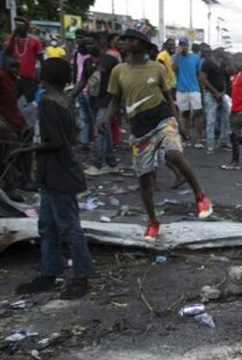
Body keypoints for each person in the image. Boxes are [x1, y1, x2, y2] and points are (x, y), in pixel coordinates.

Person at [102, 29, 213, 241]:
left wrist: (178, 123)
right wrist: (106, 120)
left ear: (143, 45)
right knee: (145, 180)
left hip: (163, 121)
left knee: (173, 155)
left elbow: (168, 97)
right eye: (124, 39)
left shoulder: (157, 68)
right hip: (139, 130)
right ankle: (153, 222)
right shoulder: (118, 71)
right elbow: (115, 101)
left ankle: (200, 195)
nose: (125, 42)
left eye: (131, 39)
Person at [14, 58, 94, 299]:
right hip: (57, 172)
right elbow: (68, 135)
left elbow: (57, 142)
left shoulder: (48, 103)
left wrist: (26, 150)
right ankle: (50, 273)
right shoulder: (65, 100)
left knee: (67, 227)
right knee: (48, 226)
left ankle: (81, 276)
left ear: (44, 77)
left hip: (57, 172)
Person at [83, 32, 122, 177]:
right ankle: (112, 163)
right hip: (94, 100)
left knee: (99, 131)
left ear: (100, 42)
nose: (87, 46)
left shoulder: (109, 58)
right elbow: (83, 80)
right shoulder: (89, 61)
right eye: (85, 44)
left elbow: (100, 73)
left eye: (90, 43)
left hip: (107, 99)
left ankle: (97, 164)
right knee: (104, 132)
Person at [0, 56, 33, 199]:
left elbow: (13, 107)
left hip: (12, 120)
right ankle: (10, 184)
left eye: (17, 68)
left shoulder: (13, 82)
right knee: (10, 145)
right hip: (4, 122)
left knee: (27, 139)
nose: (15, 71)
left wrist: (24, 125)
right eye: (12, 67)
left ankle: (25, 178)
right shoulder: (1, 78)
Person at [172, 37, 204, 149]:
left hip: (194, 89)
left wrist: (202, 88)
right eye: (181, 44)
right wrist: (177, 54)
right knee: (185, 115)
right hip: (182, 89)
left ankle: (199, 139)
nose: (183, 46)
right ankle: (186, 137)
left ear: (188, 46)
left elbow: (199, 74)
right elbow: (173, 68)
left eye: (184, 44)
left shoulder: (195, 58)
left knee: (197, 114)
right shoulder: (175, 57)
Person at [198, 44, 230, 154]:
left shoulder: (222, 63)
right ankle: (210, 145)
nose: (223, 51)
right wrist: (215, 92)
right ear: (216, 50)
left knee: (225, 118)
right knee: (211, 120)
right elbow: (203, 78)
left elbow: (224, 78)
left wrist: (224, 91)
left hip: (221, 94)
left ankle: (223, 141)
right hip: (210, 94)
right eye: (221, 49)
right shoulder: (207, 63)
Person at [70, 31, 98, 150]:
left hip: (92, 92)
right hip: (80, 89)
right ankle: (84, 142)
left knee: (95, 119)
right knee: (84, 117)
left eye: (83, 39)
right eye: (78, 39)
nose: (81, 42)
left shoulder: (97, 58)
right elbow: (78, 73)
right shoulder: (78, 54)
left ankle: (97, 145)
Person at [6, 16, 44, 102]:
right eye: (17, 25)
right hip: (14, 78)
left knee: (32, 103)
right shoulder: (12, 40)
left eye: (21, 25)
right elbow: (6, 53)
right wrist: (13, 37)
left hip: (29, 79)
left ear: (27, 27)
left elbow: (41, 60)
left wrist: (43, 77)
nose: (18, 27)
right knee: (10, 102)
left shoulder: (35, 41)